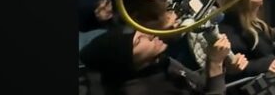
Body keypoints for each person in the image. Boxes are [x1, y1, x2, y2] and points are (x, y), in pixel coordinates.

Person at [79, 17, 234, 94]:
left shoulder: (157, 62)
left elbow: (197, 84)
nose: (151, 35)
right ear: (125, 60)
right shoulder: (139, 91)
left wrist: (218, 67)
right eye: (139, 40)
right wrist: (215, 64)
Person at [218, 0, 275, 81]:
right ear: (244, 2)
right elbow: (233, 71)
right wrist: (265, 64)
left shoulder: (257, 19)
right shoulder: (229, 36)